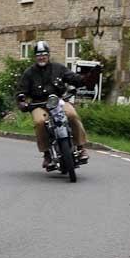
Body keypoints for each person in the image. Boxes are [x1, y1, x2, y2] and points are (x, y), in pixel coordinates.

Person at [16, 41, 90, 170]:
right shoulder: (29, 73)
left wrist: (85, 79)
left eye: (44, 54)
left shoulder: (58, 68)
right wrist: (22, 101)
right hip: (38, 104)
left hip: (58, 101)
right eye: (39, 54)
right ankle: (47, 154)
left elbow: (72, 78)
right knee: (40, 122)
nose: (41, 57)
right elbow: (21, 91)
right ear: (35, 57)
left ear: (48, 55)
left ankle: (81, 147)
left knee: (72, 114)